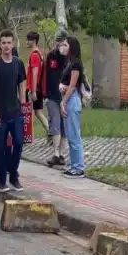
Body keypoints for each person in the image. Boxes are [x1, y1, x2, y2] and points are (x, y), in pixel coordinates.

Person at [0, 30, 27, 193]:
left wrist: (24, 108)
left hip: (15, 111)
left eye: (9, 42)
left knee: (18, 142)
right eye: (3, 42)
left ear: (13, 43)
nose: (6, 46)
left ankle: (14, 174)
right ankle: (2, 179)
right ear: (0, 44)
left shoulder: (18, 63)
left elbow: (22, 87)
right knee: (0, 148)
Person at [59, 36, 87, 178]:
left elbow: (72, 85)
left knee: (74, 135)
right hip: (68, 99)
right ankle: (74, 165)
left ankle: (78, 168)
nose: (62, 47)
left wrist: (63, 102)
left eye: (65, 44)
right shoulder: (69, 62)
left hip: (72, 100)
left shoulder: (76, 64)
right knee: (70, 135)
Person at [43, 33, 69, 167]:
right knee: (55, 124)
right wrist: (45, 93)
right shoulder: (51, 55)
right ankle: (56, 153)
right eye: (58, 42)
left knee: (64, 126)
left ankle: (62, 154)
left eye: (63, 42)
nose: (60, 45)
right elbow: (46, 74)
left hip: (65, 96)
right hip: (53, 95)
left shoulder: (68, 56)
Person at [25, 31, 50, 137]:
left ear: (34, 41)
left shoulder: (35, 55)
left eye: (28, 40)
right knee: (38, 111)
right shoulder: (39, 54)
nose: (26, 42)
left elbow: (35, 73)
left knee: (38, 112)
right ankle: (50, 131)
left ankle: (51, 131)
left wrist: (33, 90)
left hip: (35, 87)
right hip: (37, 87)